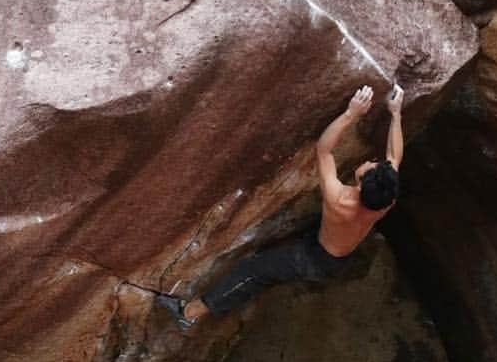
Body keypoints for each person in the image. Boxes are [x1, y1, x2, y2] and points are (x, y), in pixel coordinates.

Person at [156, 83, 404, 330]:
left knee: (253, 269)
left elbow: (324, 150)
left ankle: (188, 314)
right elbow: (394, 157)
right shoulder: (385, 198)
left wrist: (351, 113)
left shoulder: (339, 200)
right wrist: (396, 113)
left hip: (315, 258)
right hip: (337, 249)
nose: (371, 161)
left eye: (370, 165)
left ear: (360, 187)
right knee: (275, 263)